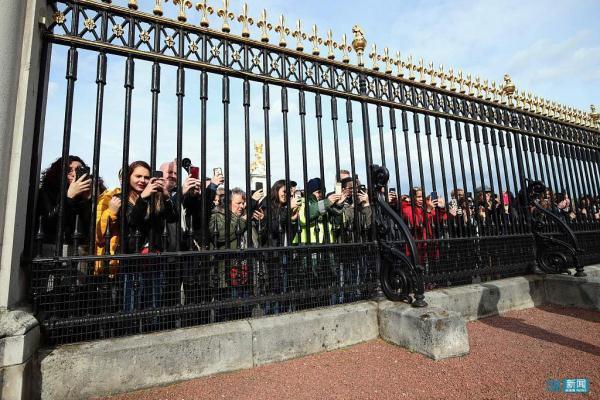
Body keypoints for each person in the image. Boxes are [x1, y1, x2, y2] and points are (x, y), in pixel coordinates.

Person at [37, 155, 96, 257]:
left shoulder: (84, 195)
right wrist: (69, 197)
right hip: (52, 249)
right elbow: (50, 223)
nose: (74, 174)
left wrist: (87, 200)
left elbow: (90, 228)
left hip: (80, 250)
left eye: (78, 170)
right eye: (69, 170)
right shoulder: (47, 191)